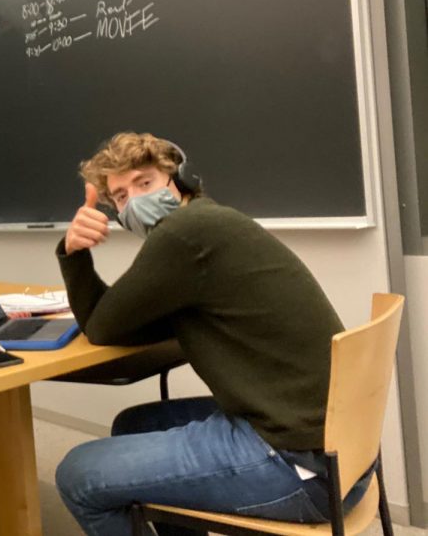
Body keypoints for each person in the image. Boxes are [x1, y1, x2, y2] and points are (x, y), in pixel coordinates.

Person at [53, 132, 374, 536]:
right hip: (338, 452)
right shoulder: (207, 224)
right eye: (119, 196)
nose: (133, 201)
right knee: (134, 423)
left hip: (301, 467)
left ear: (179, 178)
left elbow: (100, 327)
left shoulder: (183, 235)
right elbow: (120, 324)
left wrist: (73, 252)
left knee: (78, 475)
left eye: (144, 182)